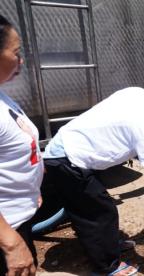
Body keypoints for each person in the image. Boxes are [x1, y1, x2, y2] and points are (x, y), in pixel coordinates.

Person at [36, 80, 144, 275]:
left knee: (88, 206)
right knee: (102, 212)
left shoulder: (138, 93)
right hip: (68, 157)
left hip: (69, 147)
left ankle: (106, 244)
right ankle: (108, 266)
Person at [0, 14, 42, 276]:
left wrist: (34, 180)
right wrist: (10, 243)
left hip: (18, 220)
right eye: (15, 52)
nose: (21, 60)